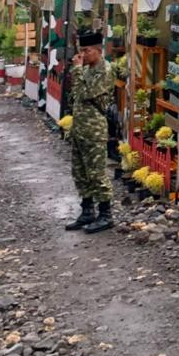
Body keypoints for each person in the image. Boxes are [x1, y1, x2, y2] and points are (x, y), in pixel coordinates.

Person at [64, 29, 115, 233]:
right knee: (80, 172)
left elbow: (85, 93)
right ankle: (87, 211)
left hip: (94, 129)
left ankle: (105, 214)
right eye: (80, 51)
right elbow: (74, 95)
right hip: (80, 128)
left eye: (86, 51)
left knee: (96, 173)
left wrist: (76, 70)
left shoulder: (104, 70)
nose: (82, 55)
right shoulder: (86, 69)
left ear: (97, 50)